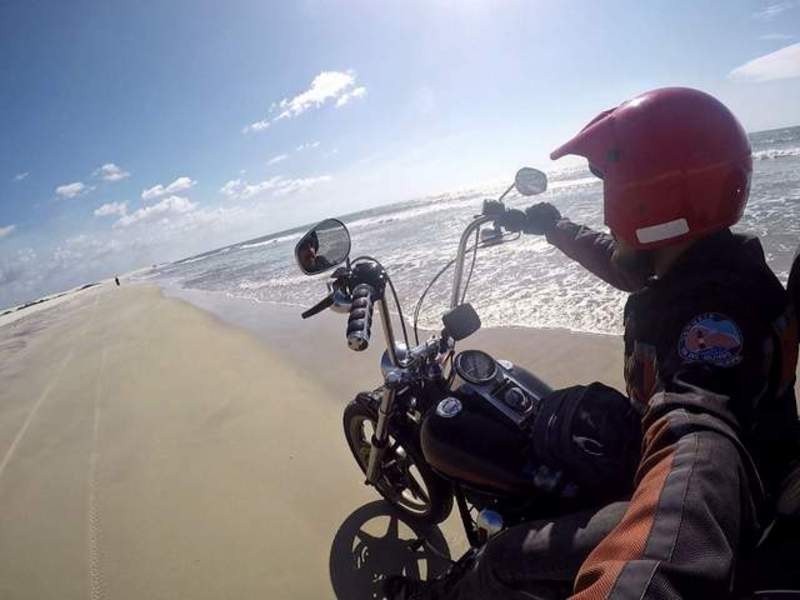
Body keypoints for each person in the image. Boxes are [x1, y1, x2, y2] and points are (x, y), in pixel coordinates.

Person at [384, 87, 800, 599]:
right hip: (757, 470)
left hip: (731, 509)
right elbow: (625, 263)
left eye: (613, 192)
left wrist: (644, 579)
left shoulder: (709, 324)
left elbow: (697, 433)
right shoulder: (714, 266)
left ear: (647, 199)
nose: (607, 215)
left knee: (498, 561)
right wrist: (550, 225)